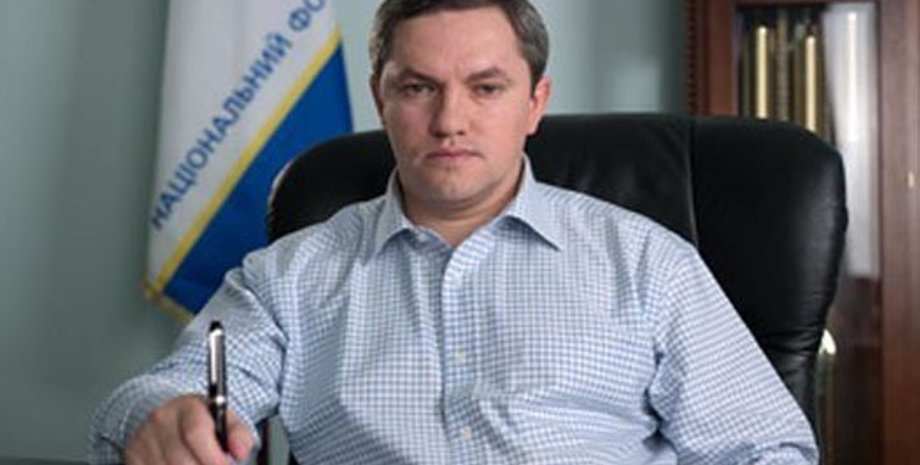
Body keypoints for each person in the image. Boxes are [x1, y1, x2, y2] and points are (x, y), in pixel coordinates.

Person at [90, 0, 819, 463]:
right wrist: (160, 417)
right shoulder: (290, 275)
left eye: (486, 87)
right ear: (381, 99)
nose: (449, 121)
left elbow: (767, 450)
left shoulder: (647, 262)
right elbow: (166, 393)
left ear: (535, 103)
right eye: (418, 87)